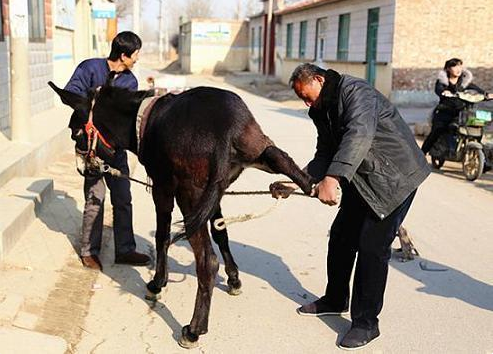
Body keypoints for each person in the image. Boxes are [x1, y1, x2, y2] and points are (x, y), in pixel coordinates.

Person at [270, 63, 430, 350]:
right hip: (363, 178)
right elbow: (325, 152)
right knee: (342, 236)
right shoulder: (322, 109)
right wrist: (299, 182)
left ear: (319, 79)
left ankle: (367, 323)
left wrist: (332, 179)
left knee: (372, 248)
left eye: (307, 96)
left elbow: (358, 135)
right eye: (302, 99)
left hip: (396, 178)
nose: (306, 103)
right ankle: (335, 299)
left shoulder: (357, 93)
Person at [65, 31, 150, 271]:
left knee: (123, 197)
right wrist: (94, 100)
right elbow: (71, 95)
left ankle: (125, 249)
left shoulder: (130, 82)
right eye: (135, 54)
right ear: (123, 55)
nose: (137, 59)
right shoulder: (89, 68)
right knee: (95, 199)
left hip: (116, 152)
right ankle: (88, 251)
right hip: (91, 149)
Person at [421, 58, 492, 154]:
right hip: (445, 112)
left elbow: (477, 90)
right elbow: (439, 89)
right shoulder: (443, 82)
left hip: (462, 113)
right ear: (448, 69)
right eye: (454, 66)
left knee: (475, 129)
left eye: (460, 66)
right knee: (437, 130)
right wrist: (444, 92)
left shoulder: (465, 82)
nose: (458, 69)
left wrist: (486, 95)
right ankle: (421, 153)